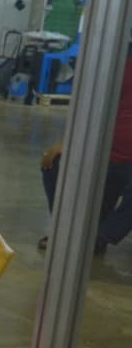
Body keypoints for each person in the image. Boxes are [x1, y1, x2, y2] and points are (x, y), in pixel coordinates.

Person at [39, 52, 132, 255]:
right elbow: (88, 104)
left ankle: (100, 237)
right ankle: (63, 230)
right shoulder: (116, 63)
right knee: (54, 163)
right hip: (101, 153)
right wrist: (66, 142)